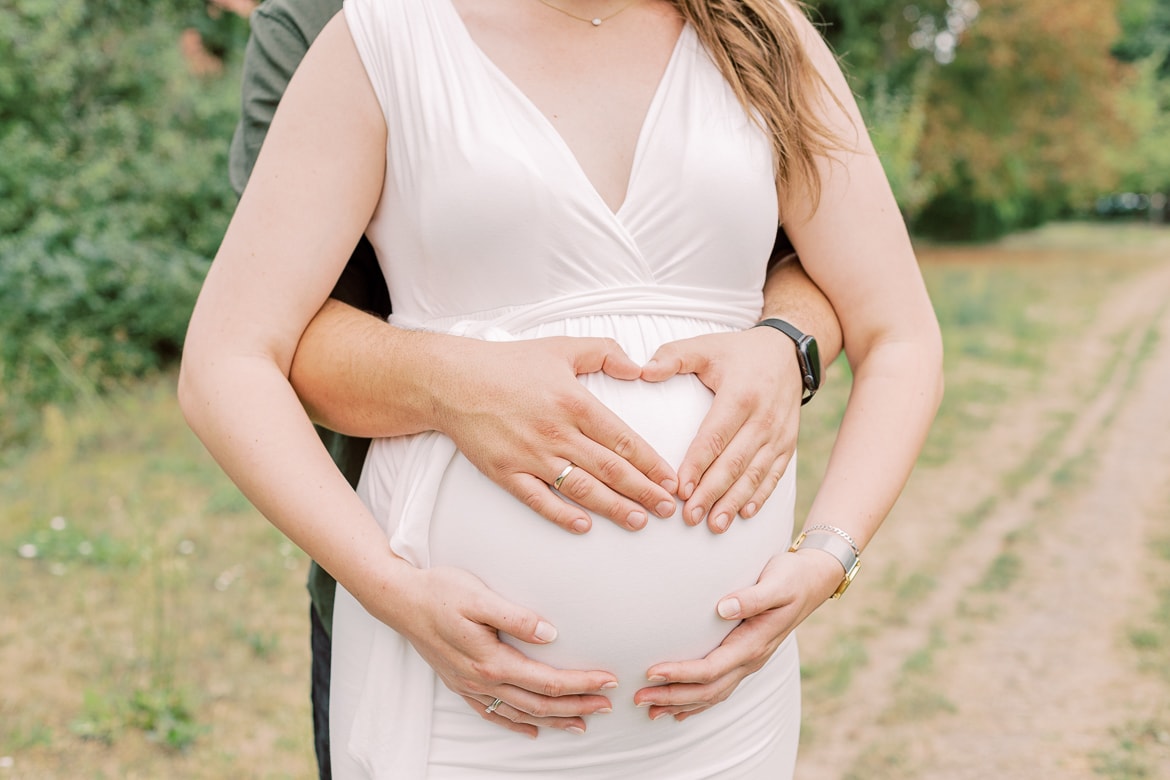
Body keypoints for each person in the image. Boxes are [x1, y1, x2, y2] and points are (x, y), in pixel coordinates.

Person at [183, 0, 942, 777]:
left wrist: (828, 555)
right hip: (465, 701)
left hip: (726, 716)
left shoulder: (765, 33)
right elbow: (228, 360)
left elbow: (900, 335)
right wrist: (395, 592)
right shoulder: (377, 38)